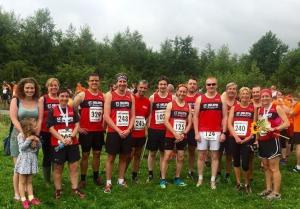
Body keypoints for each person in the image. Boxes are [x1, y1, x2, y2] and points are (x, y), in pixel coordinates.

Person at [9, 77, 43, 201]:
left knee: (28, 164)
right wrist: (24, 134)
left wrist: (35, 136)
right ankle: (17, 193)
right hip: (18, 135)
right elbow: (13, 118)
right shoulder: (16, 100)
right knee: (18, 166)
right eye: (27, 87)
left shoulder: (38, 101)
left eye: (32, 88)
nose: (30, 90)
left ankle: (27, 191)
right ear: (22, 88)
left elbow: (39, 119)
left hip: (34, 136)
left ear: (35, 89)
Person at [47, 88, 84, 199]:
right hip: (58, 144)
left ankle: (75, 189)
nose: (64, 98)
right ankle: (58, 190)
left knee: (74, 166)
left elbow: (77, 124)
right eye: (62, 96)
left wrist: (72, 136)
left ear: (69, 98)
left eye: (66, 96)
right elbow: (50, 127)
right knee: (58, 167)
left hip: (72, 142)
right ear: (58, 97)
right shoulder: (52, 110)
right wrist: (63, 139)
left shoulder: (72, 109)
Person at [103, 73, 135, 193]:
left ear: (126, 83)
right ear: (116, 83)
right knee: (111, 157)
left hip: (126, 132)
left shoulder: (130, 96)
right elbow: (106, 116)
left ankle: (120, 180)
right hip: (113, 132)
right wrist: (117, 130)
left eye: (124, 81)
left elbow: (133, 115)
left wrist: (128, 129)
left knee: (124, 157)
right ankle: (108, 182)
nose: (122, 84)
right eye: (120, 81)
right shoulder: (110, 95)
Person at [193, 77, 227, 189]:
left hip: (216, 132)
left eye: (213, 84)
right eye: (209, 84)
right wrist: (196, 133)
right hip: (202, 132)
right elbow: (196, 116)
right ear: (206, 86)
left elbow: (225, 116)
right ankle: (200, 178)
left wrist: (223, 132)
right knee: (201, 156)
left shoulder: (221, 99)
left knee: (215, 156)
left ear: (217, 85)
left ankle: (212, 180)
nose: (211, 86)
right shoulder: (200, 99)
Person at [73, 73, 105, 188]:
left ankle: (96, 177)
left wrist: (104, 125)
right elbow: (72, 108)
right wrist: (78, 127)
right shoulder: (82, 95)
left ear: (99, 82)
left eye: (96, 80)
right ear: (88, 82)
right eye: (92, 81)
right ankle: (83, 179)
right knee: (85, 155)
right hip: (86, 131)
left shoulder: (103, 96)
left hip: (99, 131)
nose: (94, 82)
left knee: (97, 154)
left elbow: (106, 112)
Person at [257, 89, 289, 200]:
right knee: (265, 166)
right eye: (263, 96)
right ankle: (268, 189)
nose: (264, 98)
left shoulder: (276, 108)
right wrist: (258, 134)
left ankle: (276, 193)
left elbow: (287, 123)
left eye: (267, 96)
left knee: (274, 167)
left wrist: (275, 128)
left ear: (271, 97)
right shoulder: (260, 110)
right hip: (262, 140)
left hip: (273, 140)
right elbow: (260, 125)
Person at [160, 84, 192, 188]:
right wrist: (175, 133)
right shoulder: (170, 104)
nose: (182, 93)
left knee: (181, 157)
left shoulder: (188, 106)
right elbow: (165, 121)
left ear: (186, 93)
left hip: (182, 136)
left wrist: (183, 134)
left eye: (184, 92)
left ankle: (177, 178)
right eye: (180, 91)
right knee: (167, 156)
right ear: (177, 92)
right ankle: (163, 179)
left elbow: (189, 123)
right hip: (170, 134)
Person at [228, 87, 256, 193]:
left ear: (250, 96)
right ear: (239, 95)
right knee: (235, 161)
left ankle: (247, 183)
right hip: (234, 138)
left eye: (247, 94)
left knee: (245, 163)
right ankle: (238, 183)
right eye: (243, 94)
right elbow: (229, 124)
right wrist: (235, 136)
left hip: (247, 139)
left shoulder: (253, 108)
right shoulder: (234, 108)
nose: (245, 95)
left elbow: (255, 125)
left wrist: (251, 136)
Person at [146, 76, 173, 182]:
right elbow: (149, 113)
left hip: (166, 130)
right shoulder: (153, 97)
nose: (162, 86)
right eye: (160, 84)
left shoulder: (172, 98)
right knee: (152, 152)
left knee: (163, 153)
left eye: (164, 84)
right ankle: (150, 173)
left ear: (167, 86)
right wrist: (148, 126)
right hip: (154, 128)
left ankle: (162, 174)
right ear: (158, 85)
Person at [15, 118, 41, 209]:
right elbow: (22, 148)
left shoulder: (35, 136)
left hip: (31, 160)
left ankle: (31, 197)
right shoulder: (21, 136)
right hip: (24, 161)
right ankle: (23, 199)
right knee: (22, 182)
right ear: (29, 127)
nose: (36, 126)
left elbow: (39, 147)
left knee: (29, 181)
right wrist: (29, 139)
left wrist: (37, 141)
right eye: (34, 125)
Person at [128, 80, 150, 182]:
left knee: (137, 154)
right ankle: (122, 175)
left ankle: (134, 175)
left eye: (145, 88)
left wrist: (146, 129)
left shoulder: (147, 101)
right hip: (131, 132)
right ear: (137, 87)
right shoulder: (131, 98)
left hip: (141, 132)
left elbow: (146, 116)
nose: (142, 89)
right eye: (141, 87)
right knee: (129, 154)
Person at [39, 78, 60, 184]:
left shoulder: (61, 99)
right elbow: (40, 117)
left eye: (55, 85)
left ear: (58, 87)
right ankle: (47, 180)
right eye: (51, 85)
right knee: (47, 155)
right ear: (47, 87)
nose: (53, 87)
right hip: (45, 132)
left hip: (58, 133)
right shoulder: (43, 99)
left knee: (56, 155)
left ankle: (55, 178)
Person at [219, 82, 238, 182]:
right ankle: (217, 173)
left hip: (231, 132)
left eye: (234, 89)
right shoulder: (221, 101)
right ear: (226, 90)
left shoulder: (237, 104)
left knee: (229, 154)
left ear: (236, 91)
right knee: (217, 153)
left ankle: (227, 174)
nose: (232, 90)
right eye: (230, 89)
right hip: (220, 130)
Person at [184, 77, 201, 179]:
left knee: (192, 150)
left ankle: (190, 171)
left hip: (194, 128)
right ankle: (178, 170)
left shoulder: (200, 97)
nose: (192, 85)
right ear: (187, 85)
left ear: (196, 86)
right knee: (179, 151)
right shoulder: (182, 95)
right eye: (190, 83)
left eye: (194, 84)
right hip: (183, 127)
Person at [290, 95, 300, 173]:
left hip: (298, 129)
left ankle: (298, 166)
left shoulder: (299, 104)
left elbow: (291, 113)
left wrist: (293, 106)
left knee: (298, 147)